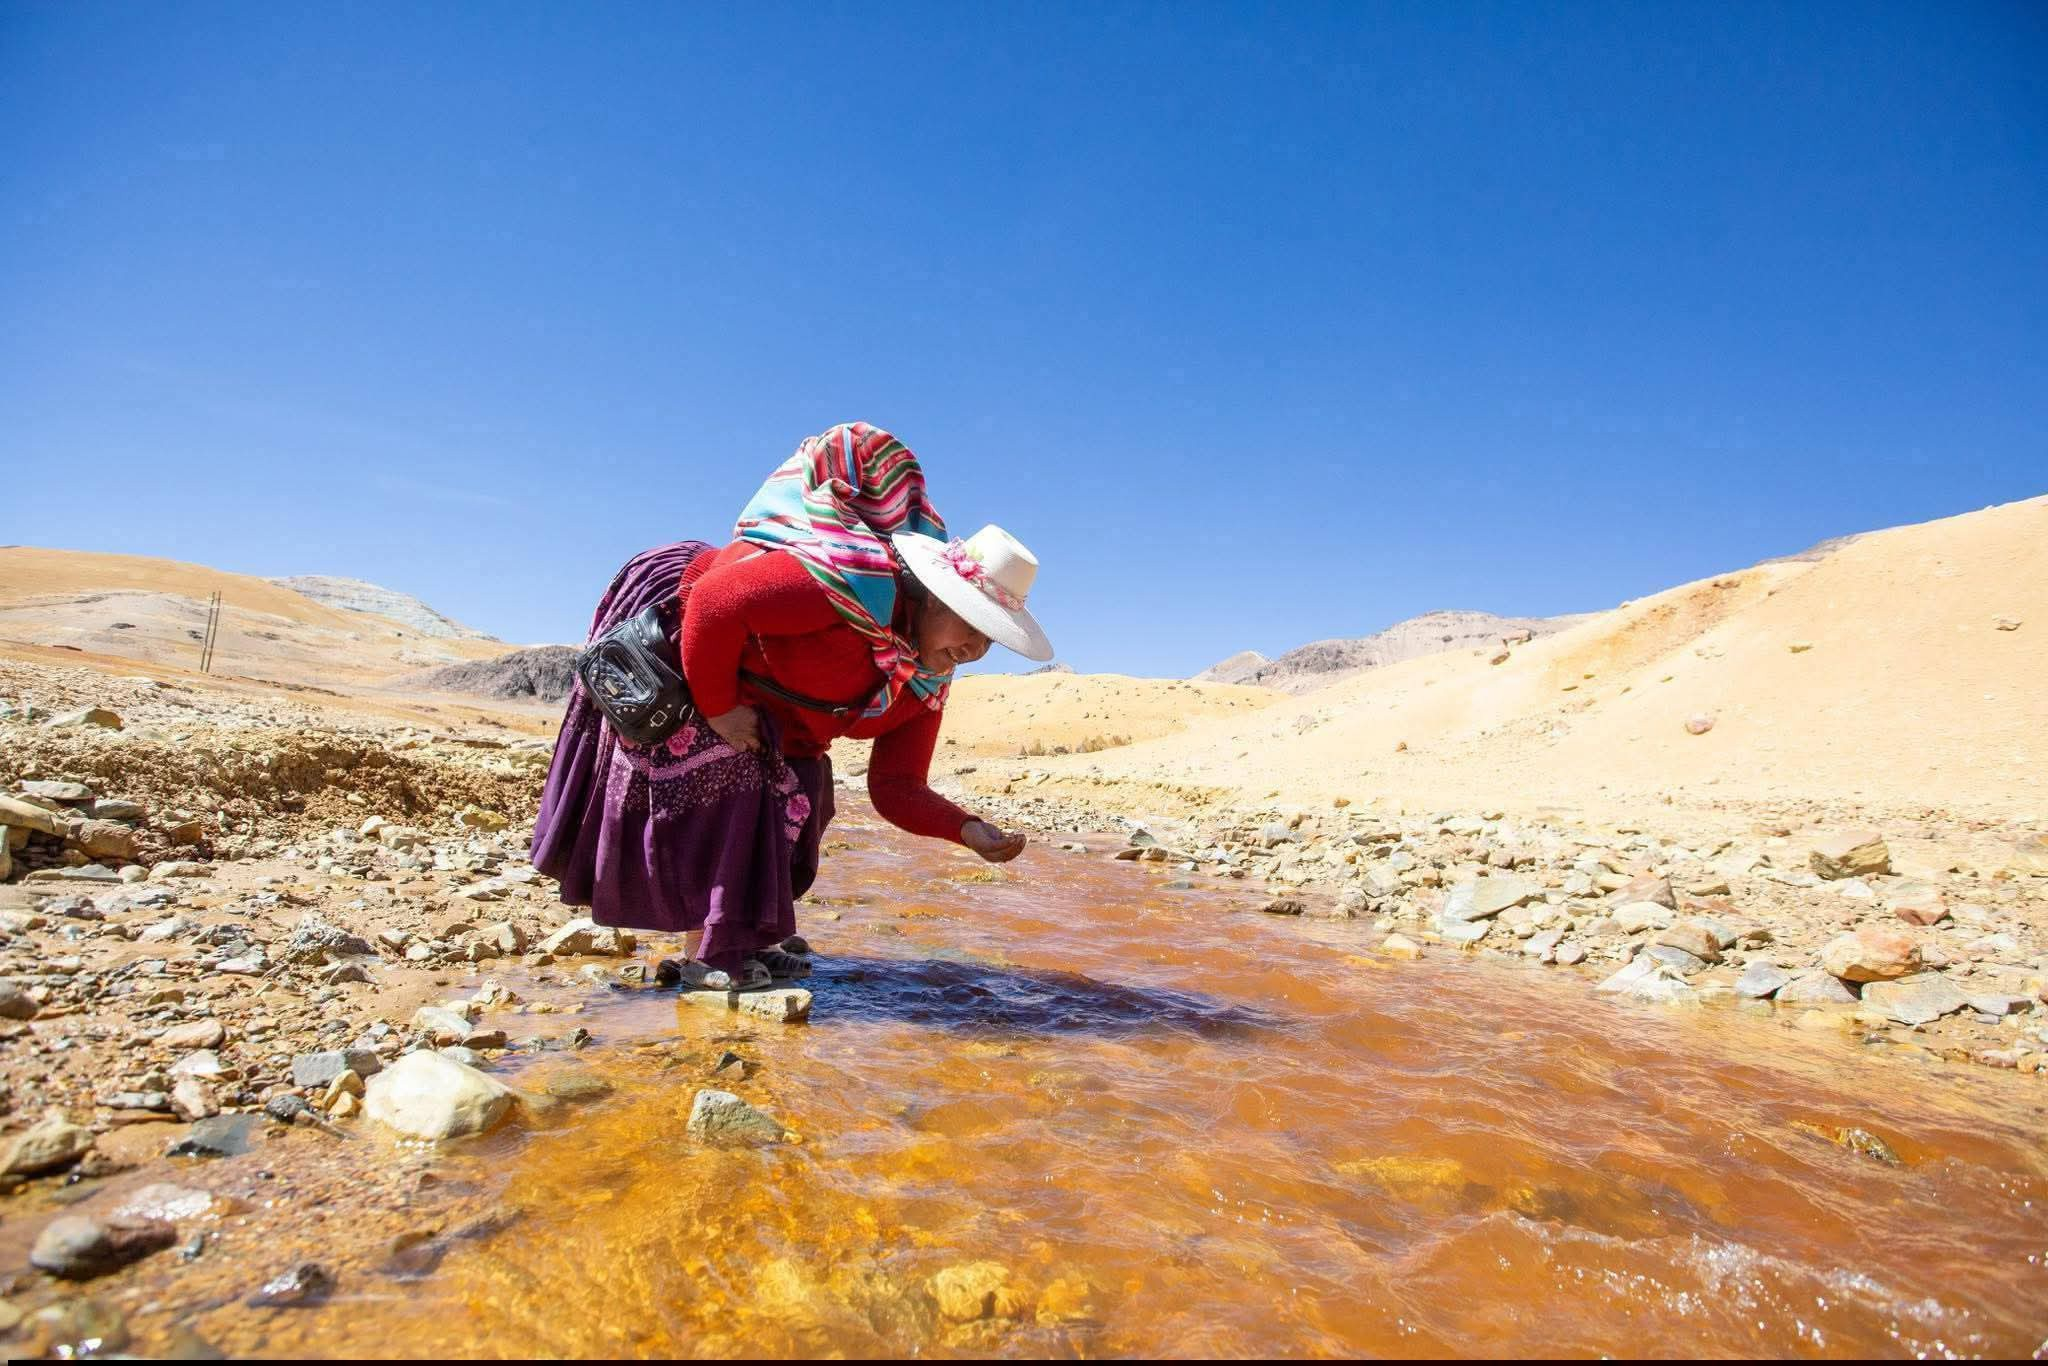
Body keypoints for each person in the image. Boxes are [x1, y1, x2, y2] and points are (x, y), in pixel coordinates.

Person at [529, 422, 1053, 990]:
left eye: (990, 638)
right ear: (931, 595)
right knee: (732, 775)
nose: (974, 650)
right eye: (970, 624)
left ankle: (745, 936)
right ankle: (710, 953)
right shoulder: (850, 584)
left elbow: (896, 786)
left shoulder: (923, 683)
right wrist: (720, 708)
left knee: (804, 787)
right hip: (687, 655)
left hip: (766, 706)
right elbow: (714, 602)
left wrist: (966, 829)